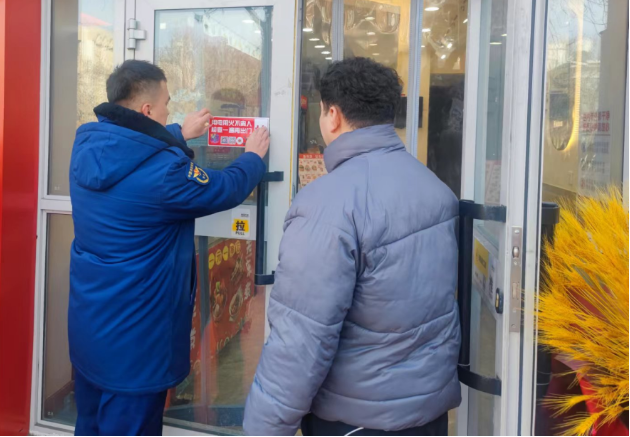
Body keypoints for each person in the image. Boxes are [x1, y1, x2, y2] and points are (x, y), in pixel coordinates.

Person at [244, 57, 461, 437]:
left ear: (333, 116)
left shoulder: (326, 205)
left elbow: (301, 339)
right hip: (428, 412)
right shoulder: (435, 188)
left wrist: (264, 428)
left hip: (356, 419)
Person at [68, 60, 270, 436]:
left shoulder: (88, 147)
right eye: (167, 104)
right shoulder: (166, 172)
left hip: (91, 329)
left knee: (91, 424)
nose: (168, 111)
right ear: (147, 110)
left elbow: (134, 152)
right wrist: (252, 158)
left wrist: (178, 132)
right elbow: (224, 188)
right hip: (137, 340)